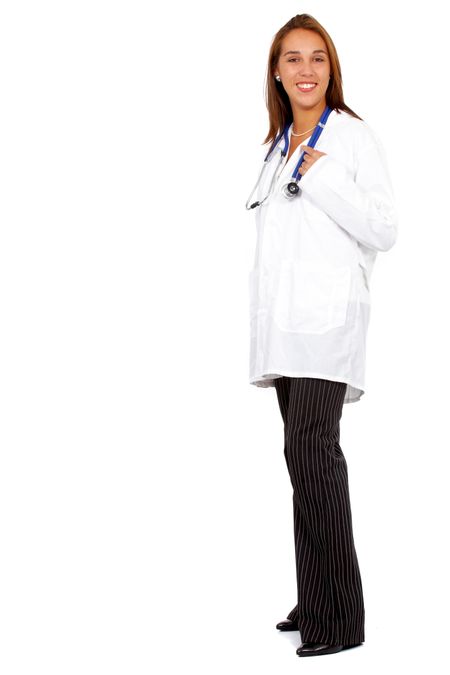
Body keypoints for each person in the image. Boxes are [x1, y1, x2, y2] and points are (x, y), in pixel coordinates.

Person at [246, 14, 398, 658]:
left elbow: (384, 229)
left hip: (326, 322)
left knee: (315, 457)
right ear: (277, 72)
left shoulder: (353, 139)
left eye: (317, 59)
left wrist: (324, 174)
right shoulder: (275, 145)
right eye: (293, 59)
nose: (306, 70)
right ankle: (316, 593)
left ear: (331, 69)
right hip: (285, 327)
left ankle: (341, 617)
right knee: (302, 461)